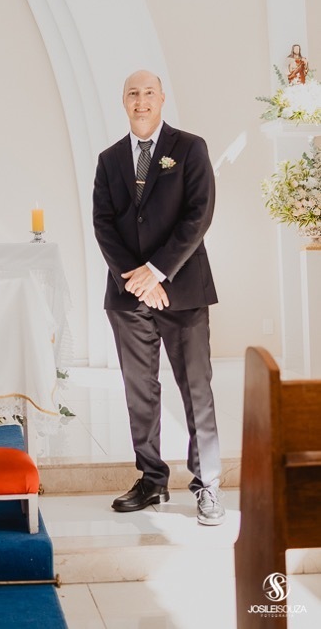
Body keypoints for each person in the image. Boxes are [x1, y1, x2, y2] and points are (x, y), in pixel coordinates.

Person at [92, 70, 224, 525]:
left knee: (197, 389)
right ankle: (151, 479)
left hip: (182, 291)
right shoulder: (108, 160)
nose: (141, 101)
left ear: (163, 98)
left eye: (149, 93)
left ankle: (207, 484)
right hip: (128, 296)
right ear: (123, 101)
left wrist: (158, 272)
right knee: (139, 391)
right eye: (133, 93)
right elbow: (104, 224)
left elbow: (199, 214)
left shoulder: (190, 148)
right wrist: (136, 279)